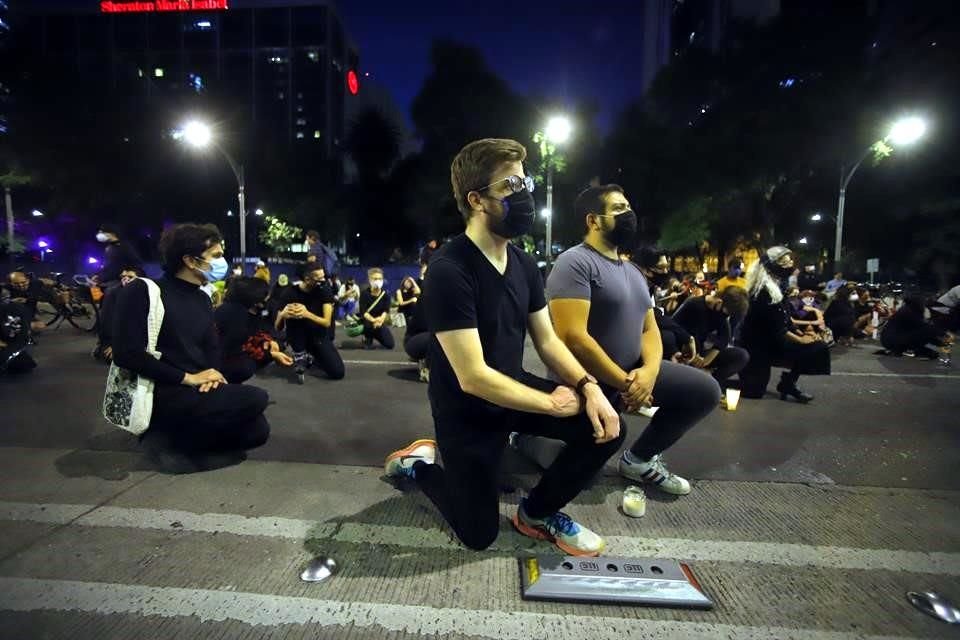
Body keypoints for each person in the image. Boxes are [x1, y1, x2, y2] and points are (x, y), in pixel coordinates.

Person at [384, 138, 625, 556]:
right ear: (477, 200)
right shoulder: (449, 269)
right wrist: (549, 405)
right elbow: (473, 376)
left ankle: (536, 514)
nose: (525, 195)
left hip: (511, 389)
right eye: (511, 186)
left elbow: (547, 340)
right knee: (478, 534)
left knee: (604, 426)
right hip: (465, 409)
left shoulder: (524, 264)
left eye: (524, 182)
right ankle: (418, 466)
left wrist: (588, 387)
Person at [513, 184, 719, 496]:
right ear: (593, 220)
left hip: (633, 374)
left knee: (704, 391)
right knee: (578, 469)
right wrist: (625, 383)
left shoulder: (634, 272)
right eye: (619, 208)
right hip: (585, 381)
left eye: (628, 207)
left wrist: (648, 373)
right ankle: (525, 437)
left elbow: (650, 329)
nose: (629, 215)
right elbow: (573, 337)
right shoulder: (575, 263)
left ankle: (638, 459)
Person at [111, 223, 270, 467]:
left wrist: (214, 375)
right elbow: (126, 354)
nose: (222, 262)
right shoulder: (143, 291)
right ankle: (163, 435)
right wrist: (187, 378)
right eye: (216, 256)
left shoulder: (202, 298)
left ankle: (173, 440)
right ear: (190, 261)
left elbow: (212, 348)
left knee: (258, 430)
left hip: (198, 387)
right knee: (257, 397)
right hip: (164, 388)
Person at [739, 246, 831, 402]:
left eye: (791, 261)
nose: (791, 265)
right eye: (786, 263)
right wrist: (800, 340)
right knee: (754, 391)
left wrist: (802, 333)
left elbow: (786, 318)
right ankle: (714, 381)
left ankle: (788, 383)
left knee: (817, 347)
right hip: (757, 346)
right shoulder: (762, 291)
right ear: (774, 266)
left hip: (774, 341)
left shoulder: (778, 286)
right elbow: (774, 328)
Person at [215, 277, 294, 383]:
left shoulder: (245, 310)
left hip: (230, 352)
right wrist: (271, 355)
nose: (267, 300)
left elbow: (254, 333)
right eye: (265, 297)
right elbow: (240, 346)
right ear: (254, 299)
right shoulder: (236, 316)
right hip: (220, 361)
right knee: (247, 367)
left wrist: (268, 341)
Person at [673, 286, 751, 391]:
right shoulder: (695, 305)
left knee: (741, 355)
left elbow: (724, 339)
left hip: (698, 354)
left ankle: (711, 382)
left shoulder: (720, 313)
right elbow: (674, 328)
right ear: (719, 301)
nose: (725, 317)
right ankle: (701, 382)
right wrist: (692, 357)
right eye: (726, 313)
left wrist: (706, 361)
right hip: (680, 352)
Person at [275, 264, 345, 382]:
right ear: (307, 279)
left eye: (324, 276)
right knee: (294, 319)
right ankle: (300, 353)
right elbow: (278, 327)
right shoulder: (289, 293)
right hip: (298, 337)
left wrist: (307, 314)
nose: (323, 280)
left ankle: (311, 357)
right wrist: (282, 315)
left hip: (318, 336)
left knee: (338, 372)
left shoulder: (324, 291)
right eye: (319, 278)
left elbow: (327, 322)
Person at [635, 248, 697, 362]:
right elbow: (652, 315)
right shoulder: (636, 287)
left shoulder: (650, 286)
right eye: (661, 267)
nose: (665, 272)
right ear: (645, 269)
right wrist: (687, 338)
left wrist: (673, 352)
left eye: (666, 267)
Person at [881, 295, 952, 358]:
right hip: (893, 340)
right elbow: (925, 328)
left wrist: (940, 343)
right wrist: (943, 334)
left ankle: (907, 350)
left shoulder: (908, 310)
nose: (924, 305)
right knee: (926, 331)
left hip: (894, 339)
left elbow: (921, 331)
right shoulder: (908, 312)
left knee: (932, 353)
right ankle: (902, 350)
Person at [95, 266, 142, 362]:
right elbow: (108, 323)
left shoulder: (147, 293)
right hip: (116, 338)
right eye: (123, 276)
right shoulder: (113, 293)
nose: (125, 279)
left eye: (130, 277)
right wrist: (114, 344)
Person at [95, 223, 143, 289]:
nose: (99, 235)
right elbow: (108, 266)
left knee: (107, 292)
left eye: (102, 232)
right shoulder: (109, 247)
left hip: (120, 280)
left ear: (112, 233)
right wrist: (97, 275)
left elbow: (136, 264)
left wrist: (131, 273)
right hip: (109, 279)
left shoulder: (124, 247)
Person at [359, 268, 394, 349]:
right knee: (367, 345)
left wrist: (380, 320)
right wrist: (373, 320)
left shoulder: (385, 295)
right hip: (368, 321)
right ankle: (367, 338)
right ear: (370, 280)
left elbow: (385, 311)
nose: (378, 281)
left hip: (379, 322)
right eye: (375, 279)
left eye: (380, 279)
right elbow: (364, 312)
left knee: (390, 344)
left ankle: (375, 334)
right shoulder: (364, 294)